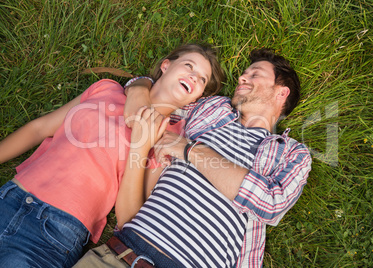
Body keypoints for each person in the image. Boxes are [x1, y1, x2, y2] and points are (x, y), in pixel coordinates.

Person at [74, 48, 312, 267]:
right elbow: (160, 98)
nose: (242, 78)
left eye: (255, 74)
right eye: (244, 73)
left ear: (282, 92)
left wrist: (189, 150)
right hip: (118, 254)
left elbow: (270, 204)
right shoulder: (213, 109)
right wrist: (139, 84)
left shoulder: (292, 153)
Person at [0, 43, 224, 268]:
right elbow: (40, 128)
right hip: (11, 195)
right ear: (166, 65)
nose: (194, 77)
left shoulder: (169, 140)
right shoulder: (106, 89)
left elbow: (130, 216)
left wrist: (141, 145)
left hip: (56, 231)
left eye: (203, 79)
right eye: (189, 66)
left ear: (195, 99)